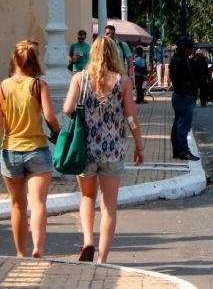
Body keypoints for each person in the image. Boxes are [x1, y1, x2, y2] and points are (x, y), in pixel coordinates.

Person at [63, 36, 145, 263]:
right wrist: (139, 145)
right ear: (114, 54)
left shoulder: (80, 79)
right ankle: (103, 259)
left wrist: (85, 111)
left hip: (86, 150)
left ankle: (88, 239)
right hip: (113, 151)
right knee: (109, 206)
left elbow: (67, 109)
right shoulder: (123, 82)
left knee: (87, 196)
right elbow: (131, 117)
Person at [0, 40, 60, 258]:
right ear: (34, 61)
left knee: (17, 204)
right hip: (37, 150)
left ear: (14, 59)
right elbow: (50, 117)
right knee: (38, 202)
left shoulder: (3, 86)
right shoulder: (38, 85)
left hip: (10, 151)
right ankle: (38, 247)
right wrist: (58, 131)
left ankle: (19, 252)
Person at [169, 36, 200, 161]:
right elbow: (177, 81)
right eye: (190, 48)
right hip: (184, 97)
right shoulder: (180, 61)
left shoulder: (181, 59)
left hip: (183, 96)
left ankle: (178, 150)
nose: (192, 50)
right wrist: (188, 85)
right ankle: (183, 151)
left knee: (178, 124)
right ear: (184, 48)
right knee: (183, 125)